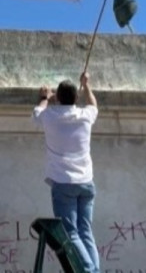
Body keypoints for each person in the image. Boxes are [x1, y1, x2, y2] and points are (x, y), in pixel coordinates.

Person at [32, 72, 100, 273]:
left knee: (71, 232)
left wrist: (45, 98)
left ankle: (89, 271)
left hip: (63, 183)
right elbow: (93, 104)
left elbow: (37, 112)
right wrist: (86, 85)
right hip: (86, 182)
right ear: (76, 98)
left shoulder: (49, 116)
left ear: (58, 98)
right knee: (85, 231)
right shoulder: (85, 115)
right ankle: (94, 269)